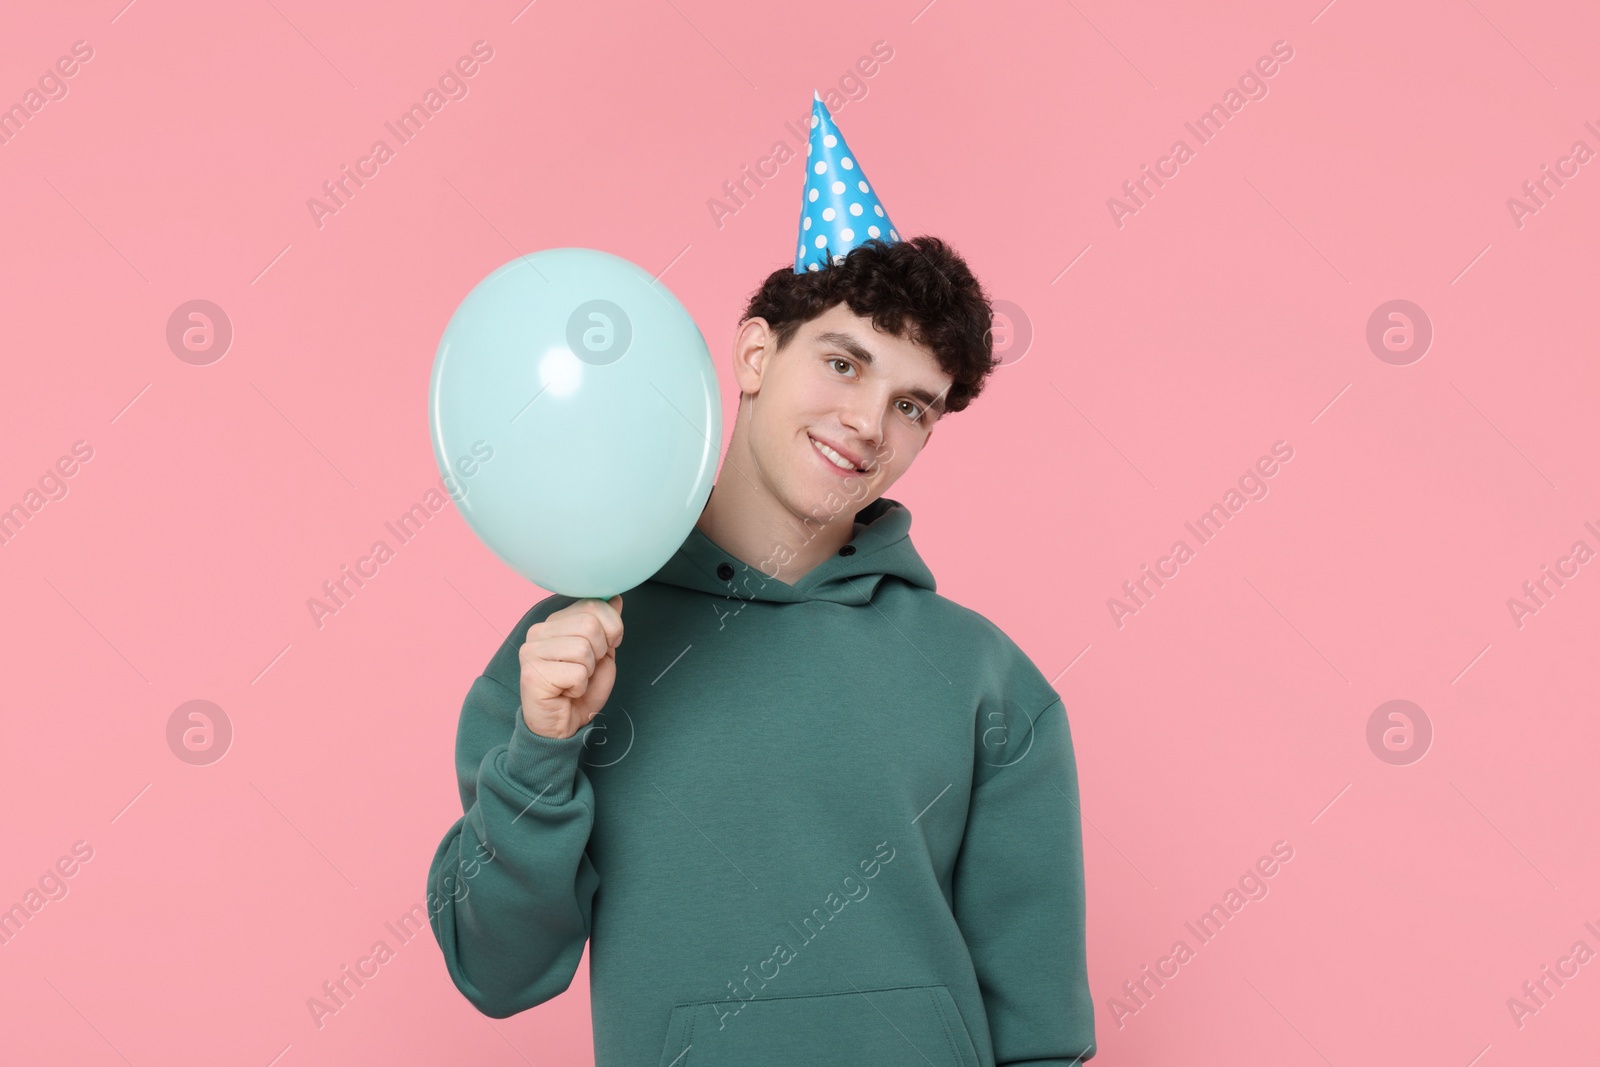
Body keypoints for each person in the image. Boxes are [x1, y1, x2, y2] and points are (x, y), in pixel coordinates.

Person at [426, 94, 1095, 1067]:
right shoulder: (571, 651)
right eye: (841, 361)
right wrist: (540, 749)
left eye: (912, 404)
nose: (868, 423)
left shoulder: (987, 676)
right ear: (752, 353)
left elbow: (1040, 1029)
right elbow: (494, 969)